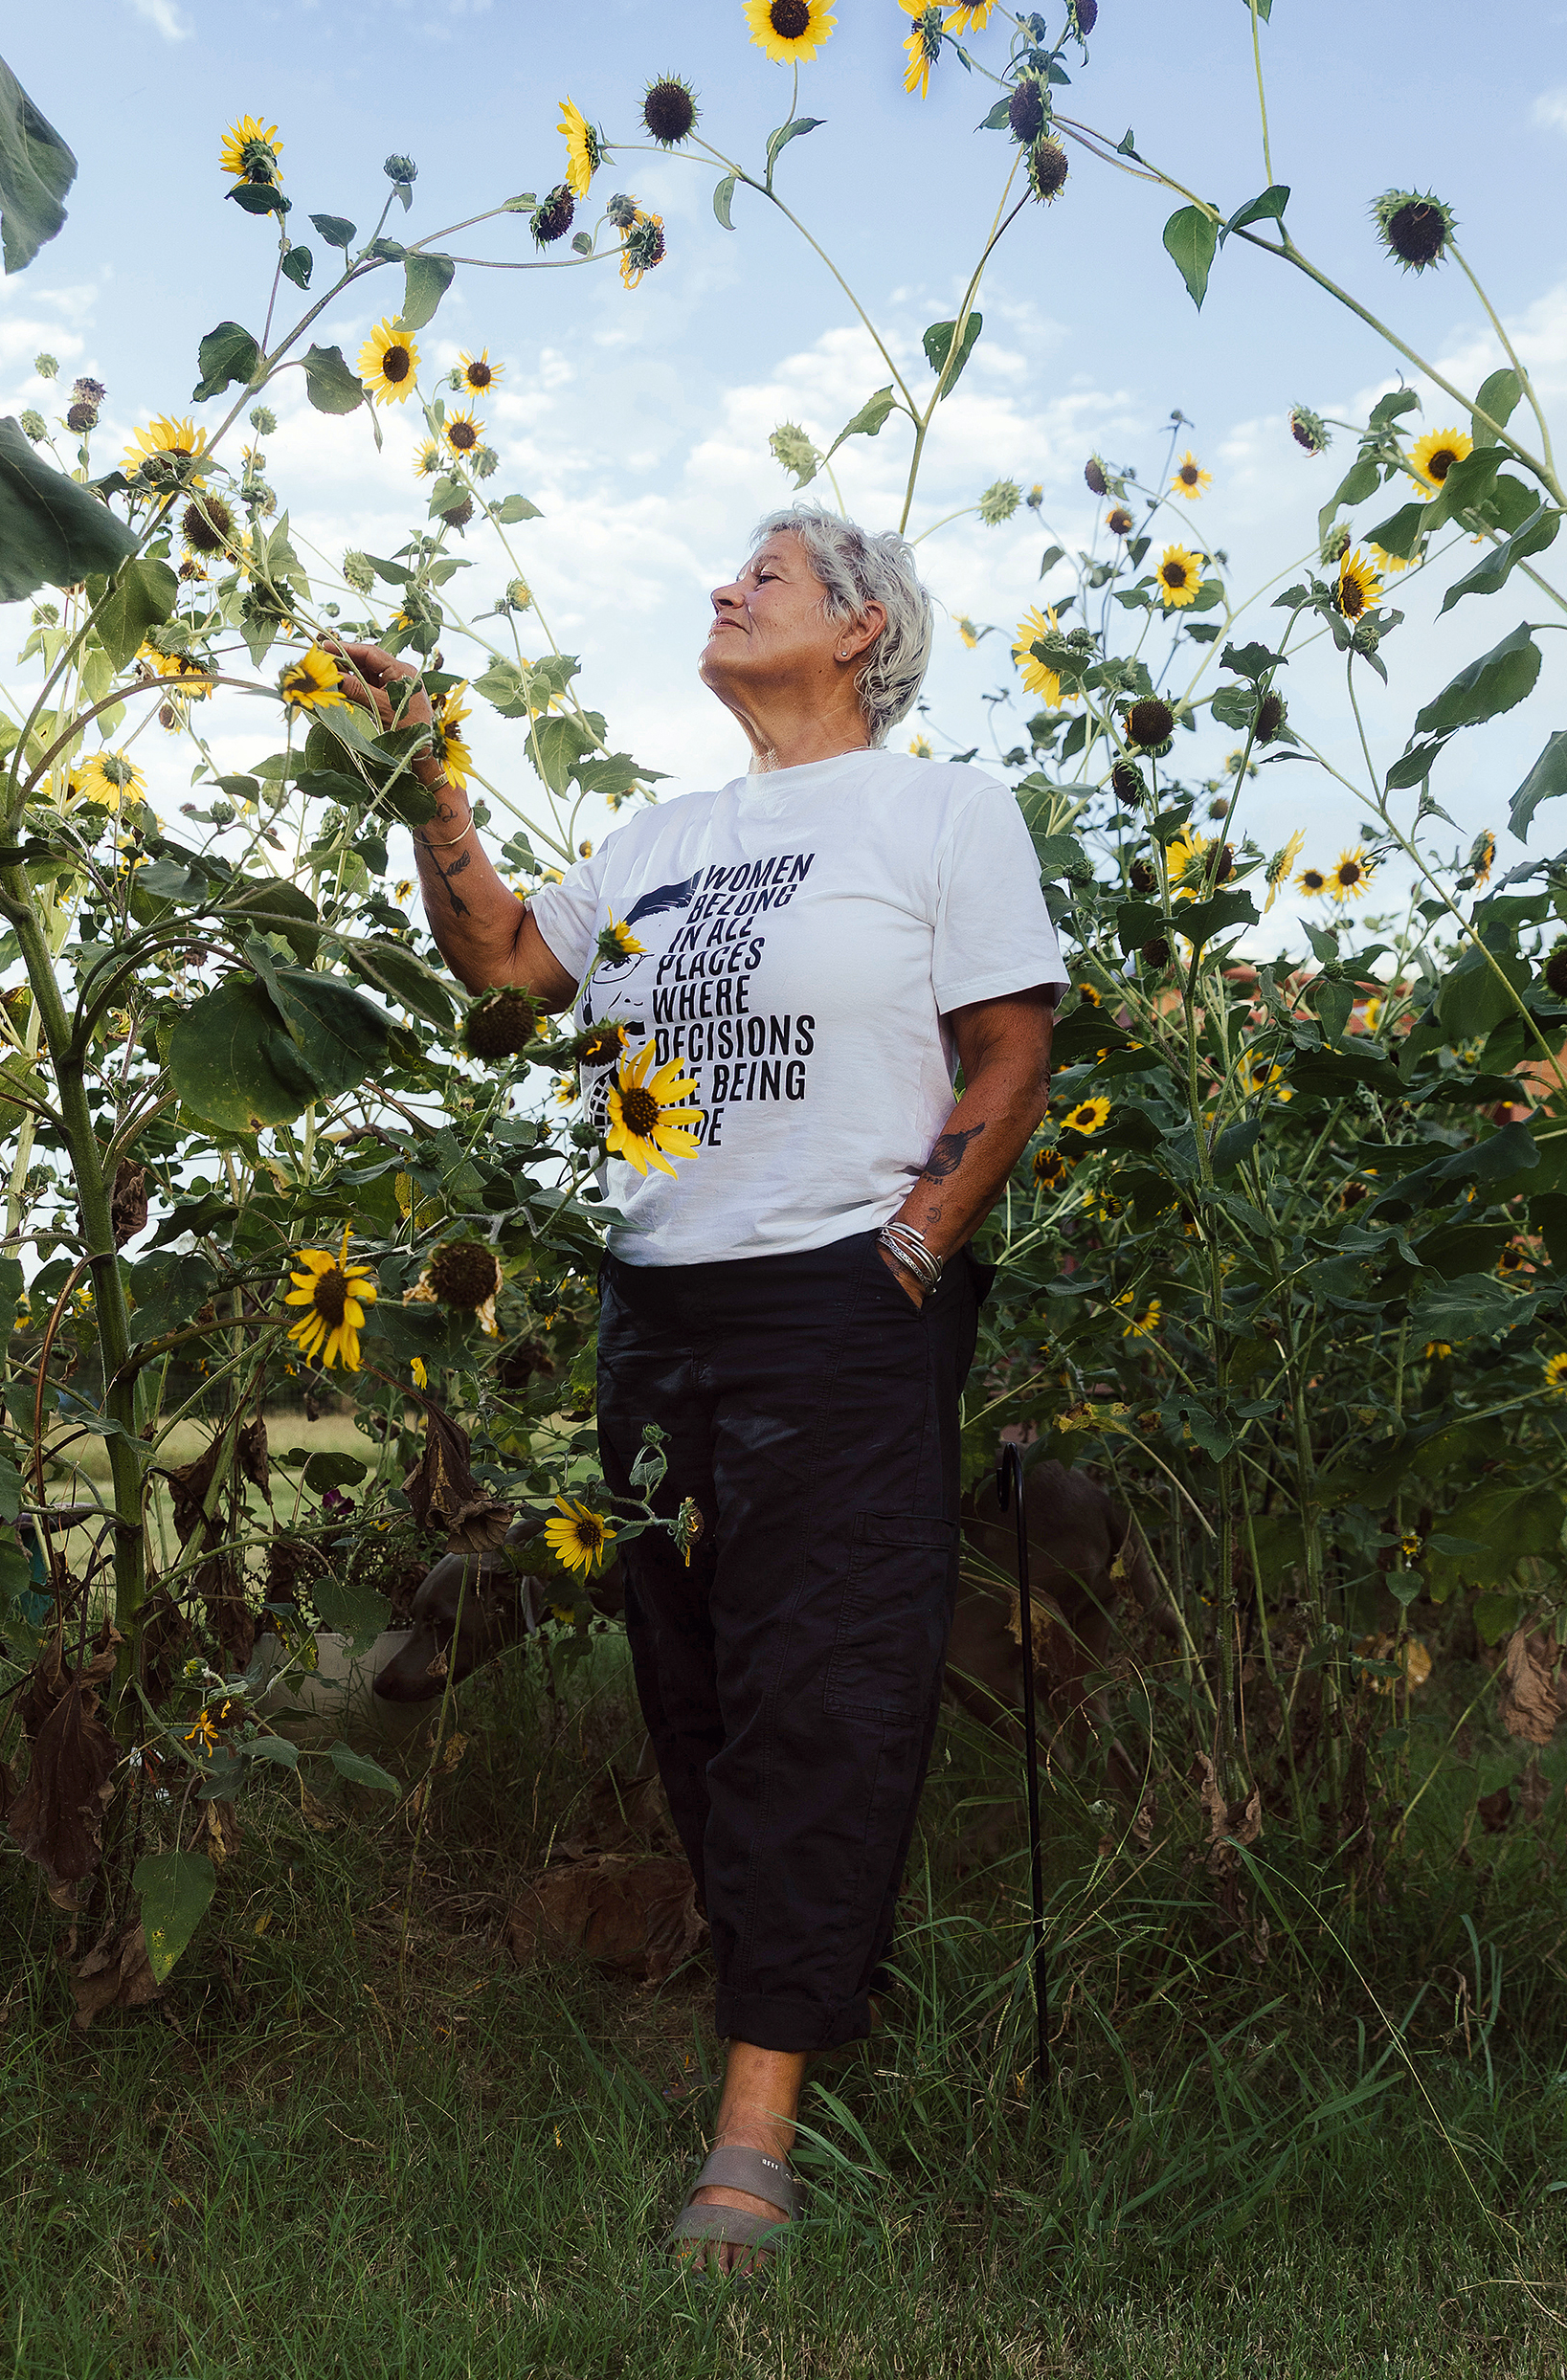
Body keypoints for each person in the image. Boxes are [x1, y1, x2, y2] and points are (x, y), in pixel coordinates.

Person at [341, 505, 1062, 2270]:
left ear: (862, 629)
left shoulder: (941, 812)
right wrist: (431, 778)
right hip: (658, 1306)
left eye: (770, 575)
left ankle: (755, 2130)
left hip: (841, 1303)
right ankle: (798, 1998)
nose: (725, 586)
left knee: (826, 1681)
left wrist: (913, 1247)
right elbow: (511, 971)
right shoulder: (665, 836)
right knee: (698, 1684)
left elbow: (1013, 1046)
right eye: (727, 566)